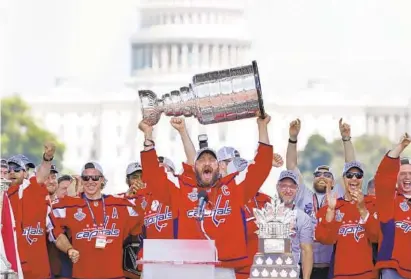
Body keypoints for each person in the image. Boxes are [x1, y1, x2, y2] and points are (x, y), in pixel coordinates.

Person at [139, 113, 273, 278]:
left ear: (218, 166)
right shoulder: (182, 192)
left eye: (212, 159)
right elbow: (153, 176)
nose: (207, 163)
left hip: (224, 268)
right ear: (194, 168)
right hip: (191, 269)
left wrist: (262, 126)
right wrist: (148, 135)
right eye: (202, 160)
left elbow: (261, 167)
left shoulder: (233, 189)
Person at [47, 161, 144, 279]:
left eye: (95, 178)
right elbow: (54, 231)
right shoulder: (69, 206)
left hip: (115, 276)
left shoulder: (119, 204)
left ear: (102, 180)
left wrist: (141, 193)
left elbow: (144, 216)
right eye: (86, 178)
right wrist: (69, 249)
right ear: (81, 181)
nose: (90, 181)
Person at [286, 118, 354, 279]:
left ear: (335, 180)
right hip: (305, 266)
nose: (322, 177)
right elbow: (291, 166)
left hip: (331, 266)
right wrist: (293, 138)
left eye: (327, 174)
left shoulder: (338, 193)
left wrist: (346, 139)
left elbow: (351, 166)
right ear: (313, 178)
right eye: (318, 174)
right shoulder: (304, 194)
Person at [315, 161, 378, 279]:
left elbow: (376, 237)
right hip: (340, 273)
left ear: (362, 179)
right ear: (343, 179)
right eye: (349, 175)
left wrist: (362, 208)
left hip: (367, 273)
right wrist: (330, 210)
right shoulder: (333, 205)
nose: (354, 178)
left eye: (358, 175)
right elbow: (324, 239)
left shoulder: (372, 203)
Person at [6, 144, 56, 279]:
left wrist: (47, 158)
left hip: (37, 266)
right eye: (8, 169)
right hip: (12, 264)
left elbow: (42, 174)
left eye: (16, 169)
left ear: (26, 172)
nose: (11, 172)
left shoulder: (32, 187)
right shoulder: (4, 194)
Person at [374, 133, 411, 279]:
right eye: (403, 174)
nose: (407, 177)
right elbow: (383, 177)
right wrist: (400, 147)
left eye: (410, 173)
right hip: (393, 269)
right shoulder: (390, 201)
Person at [276, 170, 313, 279]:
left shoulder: (303, 217)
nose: (288, 190)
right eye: (284, 186)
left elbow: (307, 251)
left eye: (292, 186)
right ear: (277, 187)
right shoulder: (265, 212)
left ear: (297, 189)